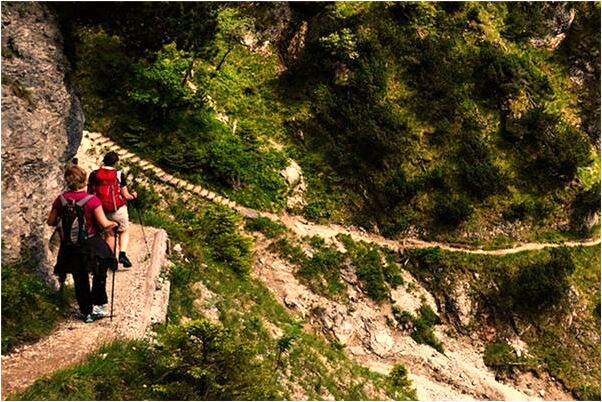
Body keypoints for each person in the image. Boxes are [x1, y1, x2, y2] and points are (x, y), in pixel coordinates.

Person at [47, 163, 118, 323]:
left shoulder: (61, 199)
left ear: (68, 182)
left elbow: (51, 222)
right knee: (101, 268)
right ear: (85, 181)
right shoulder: (92, 200)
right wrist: (113, 224)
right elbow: (104, 224)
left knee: (80, 278)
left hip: (70, 246)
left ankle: (86, 312)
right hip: (90, 243)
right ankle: (99, 304)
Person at [88, 151, 137, 268]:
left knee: (109, 234)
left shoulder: (94, 174)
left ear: (104, 160)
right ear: (116, 162)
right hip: (117, 209)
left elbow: (89, 193)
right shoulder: (119, 175)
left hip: (101, 210)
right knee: (123, 230)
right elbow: (126, 195)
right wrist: (134, 195)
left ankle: (110, 259)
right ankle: (122, 254)